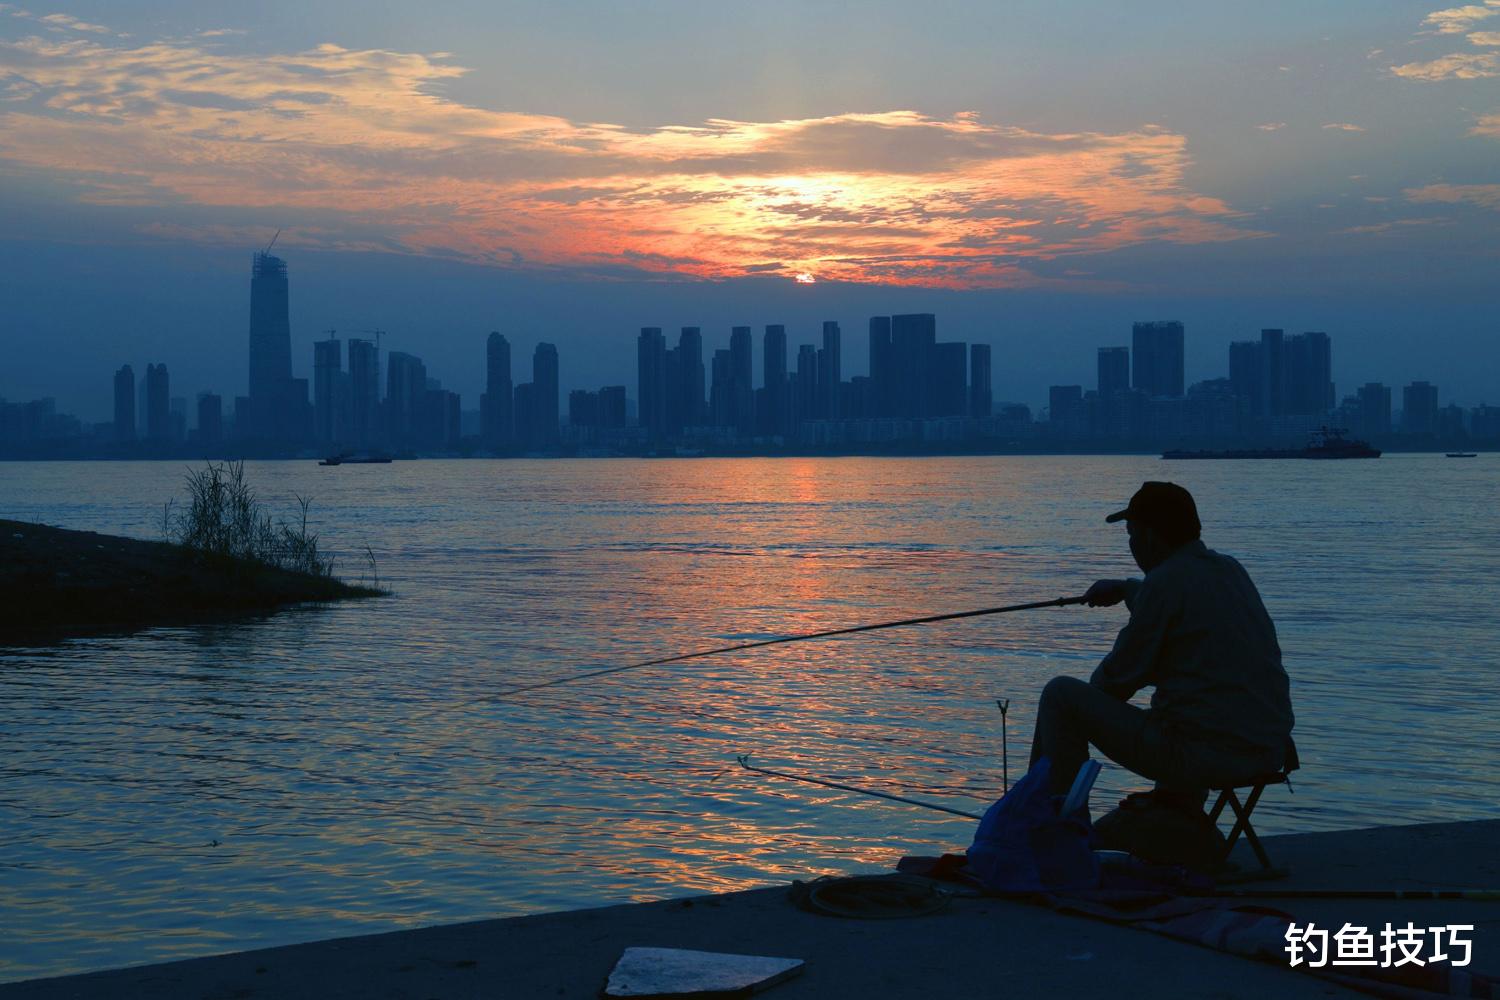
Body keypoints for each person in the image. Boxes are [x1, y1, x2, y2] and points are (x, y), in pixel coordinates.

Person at [1029, 481, 1294, 861]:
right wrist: (1126, 589)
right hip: (1266, 751)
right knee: (1189, 709)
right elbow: (1179, 608)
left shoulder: (1164, 586)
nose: (1131, 545)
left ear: (1151, 537)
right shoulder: (1228, 571)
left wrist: (1089, 708)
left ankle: (1056, 834)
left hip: (1205, 756)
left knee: (1061, 696)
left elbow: (1113, 684)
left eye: (1132, 535)